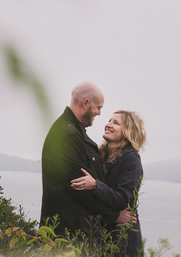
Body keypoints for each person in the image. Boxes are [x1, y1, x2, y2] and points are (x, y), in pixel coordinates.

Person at [40, 82, 133, 237]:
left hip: (72, 230)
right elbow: (79, 188)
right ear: (85, 104)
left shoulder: (74, 132)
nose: (99, 113)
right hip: (67, 233)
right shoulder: (67, 135)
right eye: (98, 107)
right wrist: (114, 216)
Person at [71, 110, 146, 257]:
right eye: (109, 120)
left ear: (128, 132)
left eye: (116, 123)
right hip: (102, 236)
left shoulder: (131, 159)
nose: (108, 125)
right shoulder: (100, 154)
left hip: (122, 240)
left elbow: (122, 199)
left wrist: (96, 185)